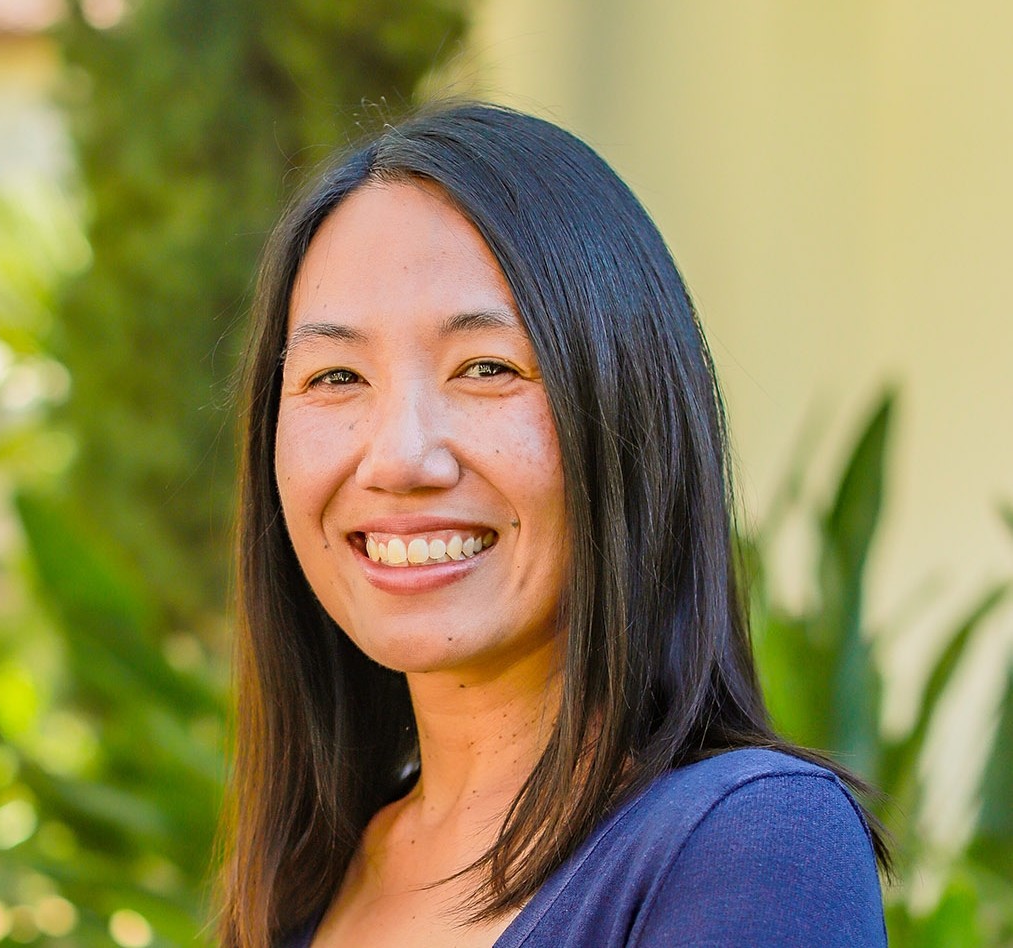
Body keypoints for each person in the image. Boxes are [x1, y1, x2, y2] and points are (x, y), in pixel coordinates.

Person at [219, 102, 888, 947]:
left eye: (486, 367)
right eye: (337, 375)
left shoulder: (751, 847)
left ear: (628, 415)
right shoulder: (303, 884)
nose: (398, 457)